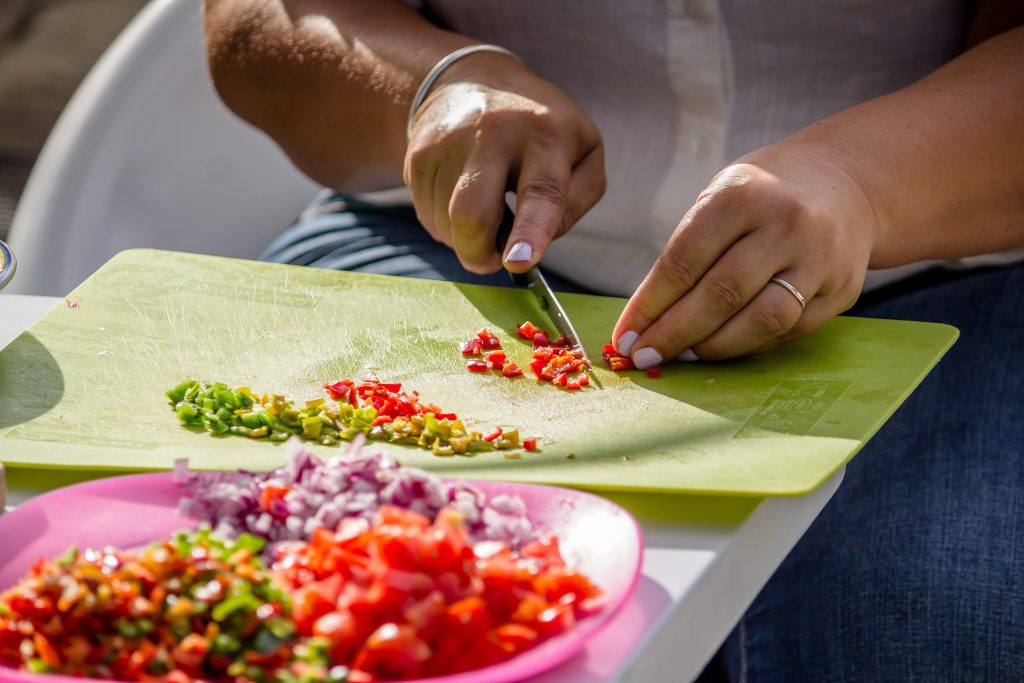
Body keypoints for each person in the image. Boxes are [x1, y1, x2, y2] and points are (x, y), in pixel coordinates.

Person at [203, 1, 1024, 679]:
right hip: (450, 249)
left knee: (931, 618)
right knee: (337, 578)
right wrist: (431, 84)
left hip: (951, 267)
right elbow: (258, 24)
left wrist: (864, 183)